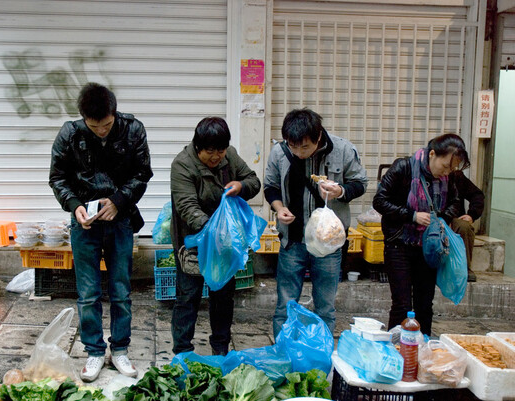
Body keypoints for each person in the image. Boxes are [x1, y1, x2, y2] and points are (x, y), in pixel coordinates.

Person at [49, 82, 153, 382]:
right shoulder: (70, 134)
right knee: (88, 293)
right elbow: (58, 178)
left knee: (120, 291)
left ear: (114, 113)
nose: (102, 131)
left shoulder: (133, 130)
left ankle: (119, 349)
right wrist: (74, 205)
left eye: (107, 125)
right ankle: (94, 351)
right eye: (95, 127)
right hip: (85, 224)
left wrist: (120, 200)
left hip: (120, 220)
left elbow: (142, 173)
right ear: (84, 119)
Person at [264, 108, 368, 339]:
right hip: (292, 240)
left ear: (318, 137)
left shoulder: (343, 149)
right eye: (293, 146)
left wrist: (340, 190)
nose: (299, 153)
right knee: (285, 306)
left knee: (325, 307)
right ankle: (283, 353)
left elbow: (360, 183)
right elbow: (270, 186)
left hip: (329, 244)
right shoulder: (279, 152)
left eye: (305, 147)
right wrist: (279, 209)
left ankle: (320, 357)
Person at [170, 116, 261, 356]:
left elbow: (253, 180)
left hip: (224, 244)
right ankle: (182, 352)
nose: (216, 157)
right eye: (210, 152)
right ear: (198, 147)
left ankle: (220, 350)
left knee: (222, 297)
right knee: (188, 297)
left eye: (220, 151)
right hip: (192, 242)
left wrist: (241, 186)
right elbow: (188, 207)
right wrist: (217, 232)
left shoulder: (229, 155)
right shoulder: (182, 165)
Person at [372, 133, 469, 336]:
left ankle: (423, 352)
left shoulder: (448, 177)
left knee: (425, 305)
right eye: (445, 166)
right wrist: (412, 216)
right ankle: (397, 353)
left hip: (429, 248)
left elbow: (456, 203)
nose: (447, 172)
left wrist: (440, 218)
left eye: (452, 168)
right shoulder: (404, 168)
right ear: (432, 154)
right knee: (402, 305)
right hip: (399, 243)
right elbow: (380, 200)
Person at [450, 169, 484, 282]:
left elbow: (477, 195)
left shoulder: (456, 176)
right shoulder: (424, 175)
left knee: (464, 227)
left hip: (453, 218)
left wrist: (471, 215)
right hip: (431, 218)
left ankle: (464, 267)